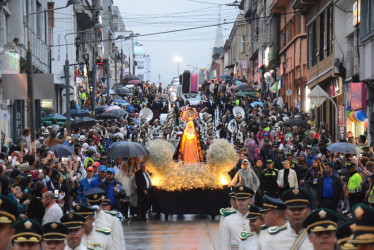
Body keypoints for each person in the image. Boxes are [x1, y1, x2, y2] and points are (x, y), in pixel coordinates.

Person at [219, 185, 254, 250]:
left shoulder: (256, 219)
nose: (240, 201)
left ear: (250, 201)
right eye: (238, 199)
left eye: (244, 199)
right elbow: (224, 244)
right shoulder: (228, 219)